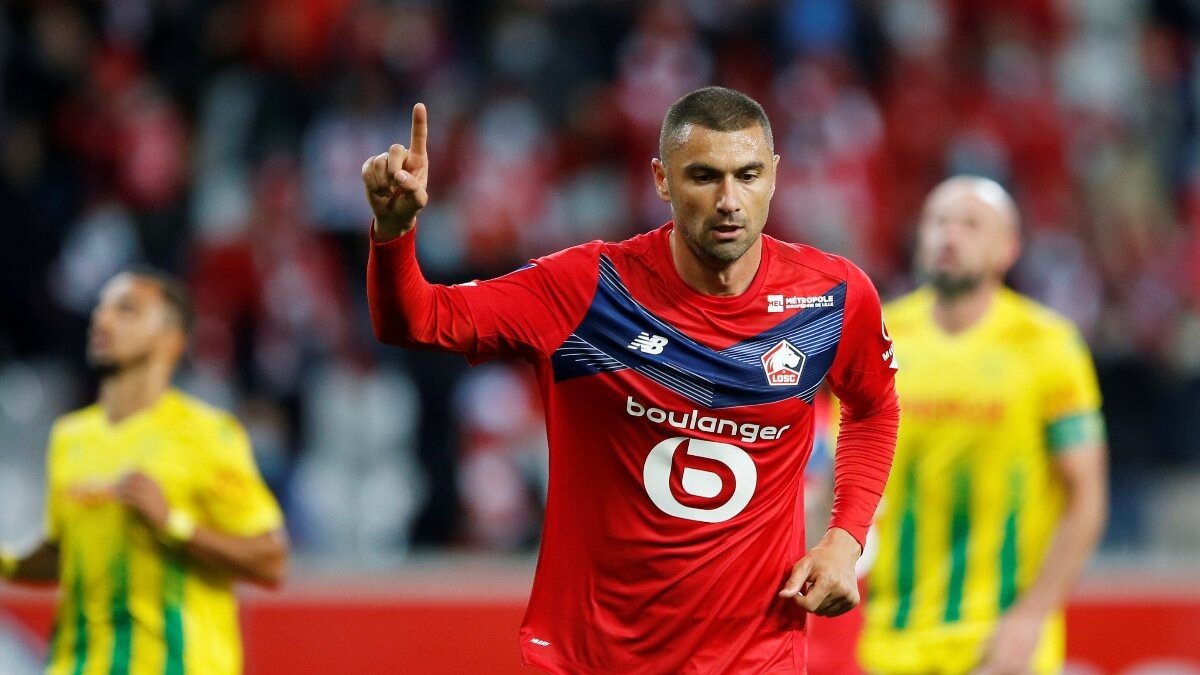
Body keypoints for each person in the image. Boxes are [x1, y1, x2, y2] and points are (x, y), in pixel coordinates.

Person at [364, 86, 900, 672]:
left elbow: (874, 406)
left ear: (773, 176)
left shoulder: (830, 298)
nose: (729, 201)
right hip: (596, 656)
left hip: (755, 657)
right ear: (661, 180)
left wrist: (845, 539)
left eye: (747, 176)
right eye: (703, 176)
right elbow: (419, 320)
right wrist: (394, 233)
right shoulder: (588, 289)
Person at [858, 177, 1109, 674]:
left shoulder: (1048, 346)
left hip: (998, 641)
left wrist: (1033, 614)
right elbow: (843, 473)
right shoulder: (878, 336)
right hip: (887, 638)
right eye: (938, 221)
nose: (949, 235)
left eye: (970, 225)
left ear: (1007, 249)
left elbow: (1086, 497)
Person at [0, 268, 289, 675]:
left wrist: (173, 525)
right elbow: (66, 555)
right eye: (100, 308)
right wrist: (7, 563)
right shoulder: (70, 436)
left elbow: (270, 559)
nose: (102, 320)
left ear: (172, 341)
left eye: (127, 310)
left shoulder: (205, 434)